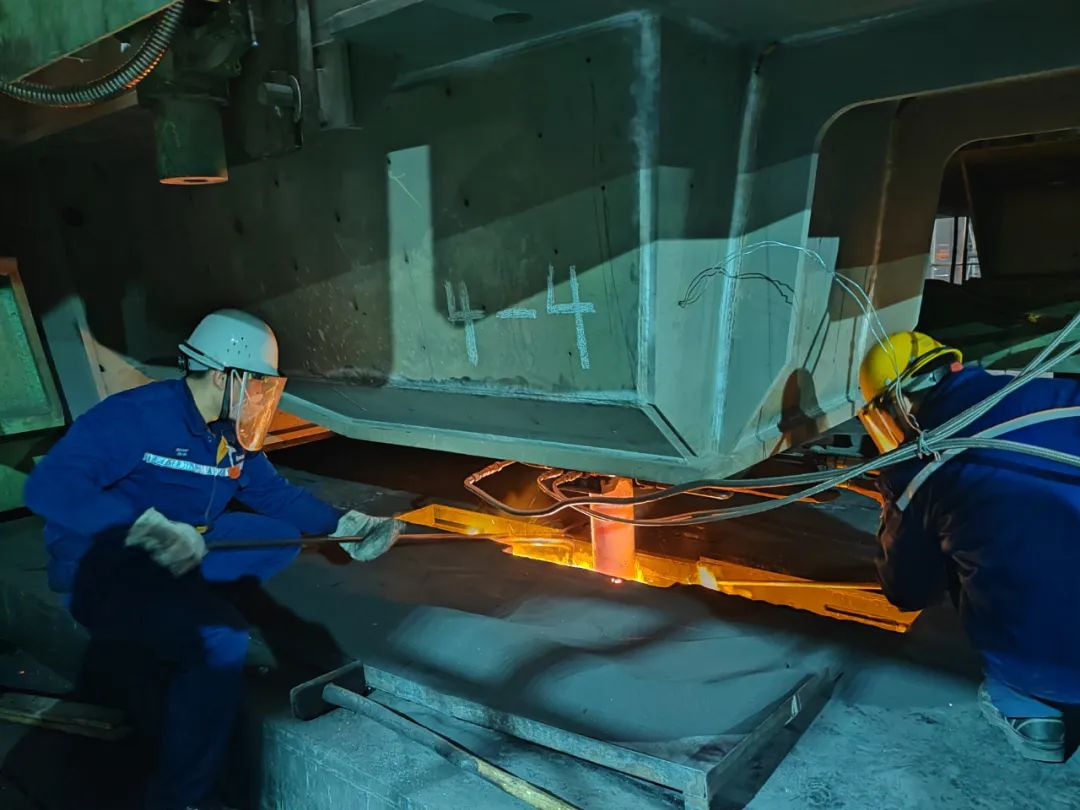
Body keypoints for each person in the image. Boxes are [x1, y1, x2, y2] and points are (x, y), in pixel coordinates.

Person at [24, 309, 404, 809]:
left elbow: (271, 492)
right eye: (257, 383)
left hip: (177, 544)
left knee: (278, 536)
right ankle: (180, 796)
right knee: (220, 640)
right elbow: (50, 486)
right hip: (104, 561)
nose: (261, 395)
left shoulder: (228, 433)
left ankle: (181, 601)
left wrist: (343, 524)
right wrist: (141, 526)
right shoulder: (136, 417)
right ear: (225, 376)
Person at [858, 330, 1080, 763]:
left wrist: (896, 509)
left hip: (1055, 669)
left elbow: (906, 591)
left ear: (896, 407)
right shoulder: (1059, 394)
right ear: (955, 366)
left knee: (955, 564)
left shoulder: (920, 469)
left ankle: (1029, 712)